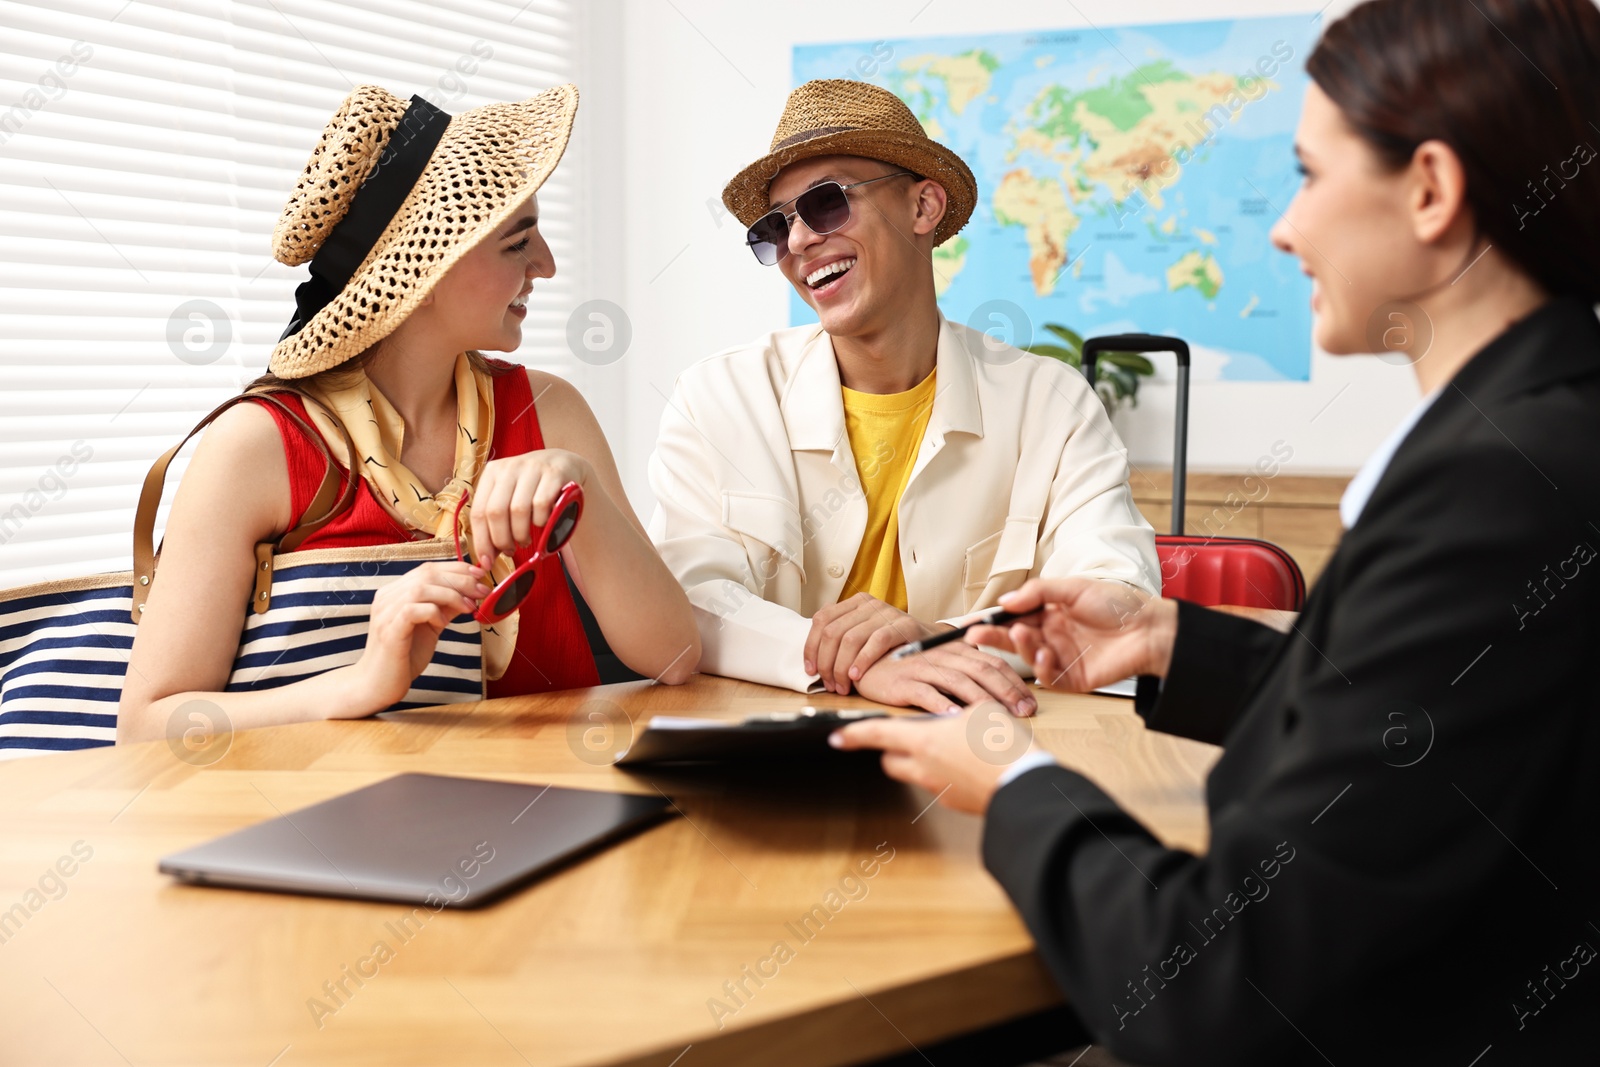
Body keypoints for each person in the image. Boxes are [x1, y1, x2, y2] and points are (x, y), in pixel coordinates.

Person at [833, 0, 1600, 1060]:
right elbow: (1424, 726)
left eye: (1307, 174)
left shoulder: (1488, 490)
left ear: (1429, 188)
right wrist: (1172, 640)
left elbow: (1220, 983)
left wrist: (1011, 780)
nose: (1284, 228)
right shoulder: (1543, 433)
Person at [118, 85, 698, 743]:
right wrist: (361, 684)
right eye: (517, 243)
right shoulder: (260, 445)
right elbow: (147, 725)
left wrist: (582, 490)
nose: (548, 265)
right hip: (340, 829)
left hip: (559, 811)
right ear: (420, 277)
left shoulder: (549, 410)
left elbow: (675, 657)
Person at [648, 79, 1159, 717]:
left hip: (979, 756)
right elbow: (686, 601)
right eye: (777, 227)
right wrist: (855, 659)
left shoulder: (1052, 402)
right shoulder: (717, 398)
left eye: (826, 203)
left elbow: (1119, 596)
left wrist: (942, 643)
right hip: (774, 769)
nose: (801, 240)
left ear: (924, 208)